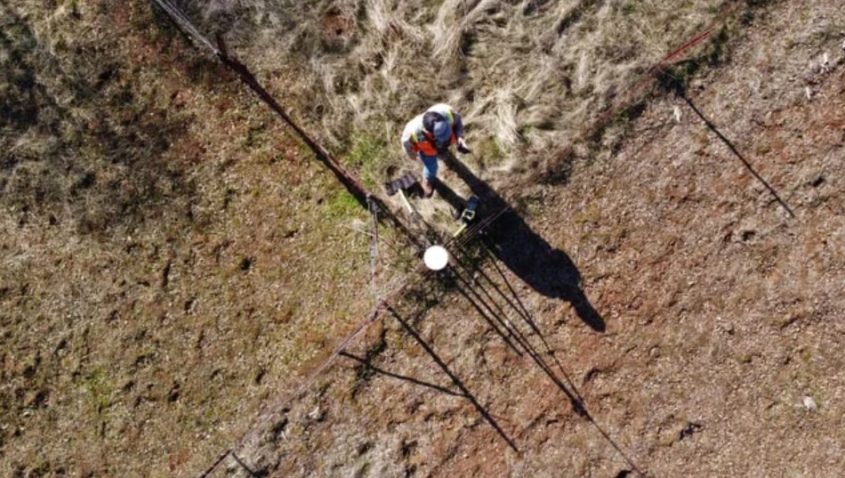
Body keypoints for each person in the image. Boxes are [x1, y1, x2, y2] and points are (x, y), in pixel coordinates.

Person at [401, 104, 470, 197]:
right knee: (431, 167)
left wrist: (460, 137)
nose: (446, 136)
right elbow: (406, 146)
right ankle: (427, 181)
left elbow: (458, 122)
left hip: (443, 144)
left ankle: (442, 150)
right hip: (428, 150)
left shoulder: (447, 112)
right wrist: (412, 156)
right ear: (428, 132)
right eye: (442, 135)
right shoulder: (411, 133)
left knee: (443, 146)